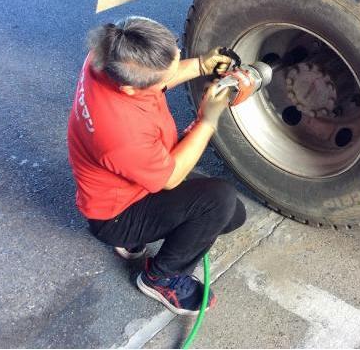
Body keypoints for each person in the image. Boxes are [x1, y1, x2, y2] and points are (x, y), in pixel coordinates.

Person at [67, 16, 246, 315]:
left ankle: (136, 238)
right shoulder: (119, 134)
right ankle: (160, 278)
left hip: (127, 182)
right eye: (167, 75)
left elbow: (155, 75)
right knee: (220, 203)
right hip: (115, 214)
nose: (174, 71)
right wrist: (208, 119)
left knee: (232, 215)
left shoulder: (109, 53)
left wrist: (201, 64)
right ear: (129, 90)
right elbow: (171, 178)